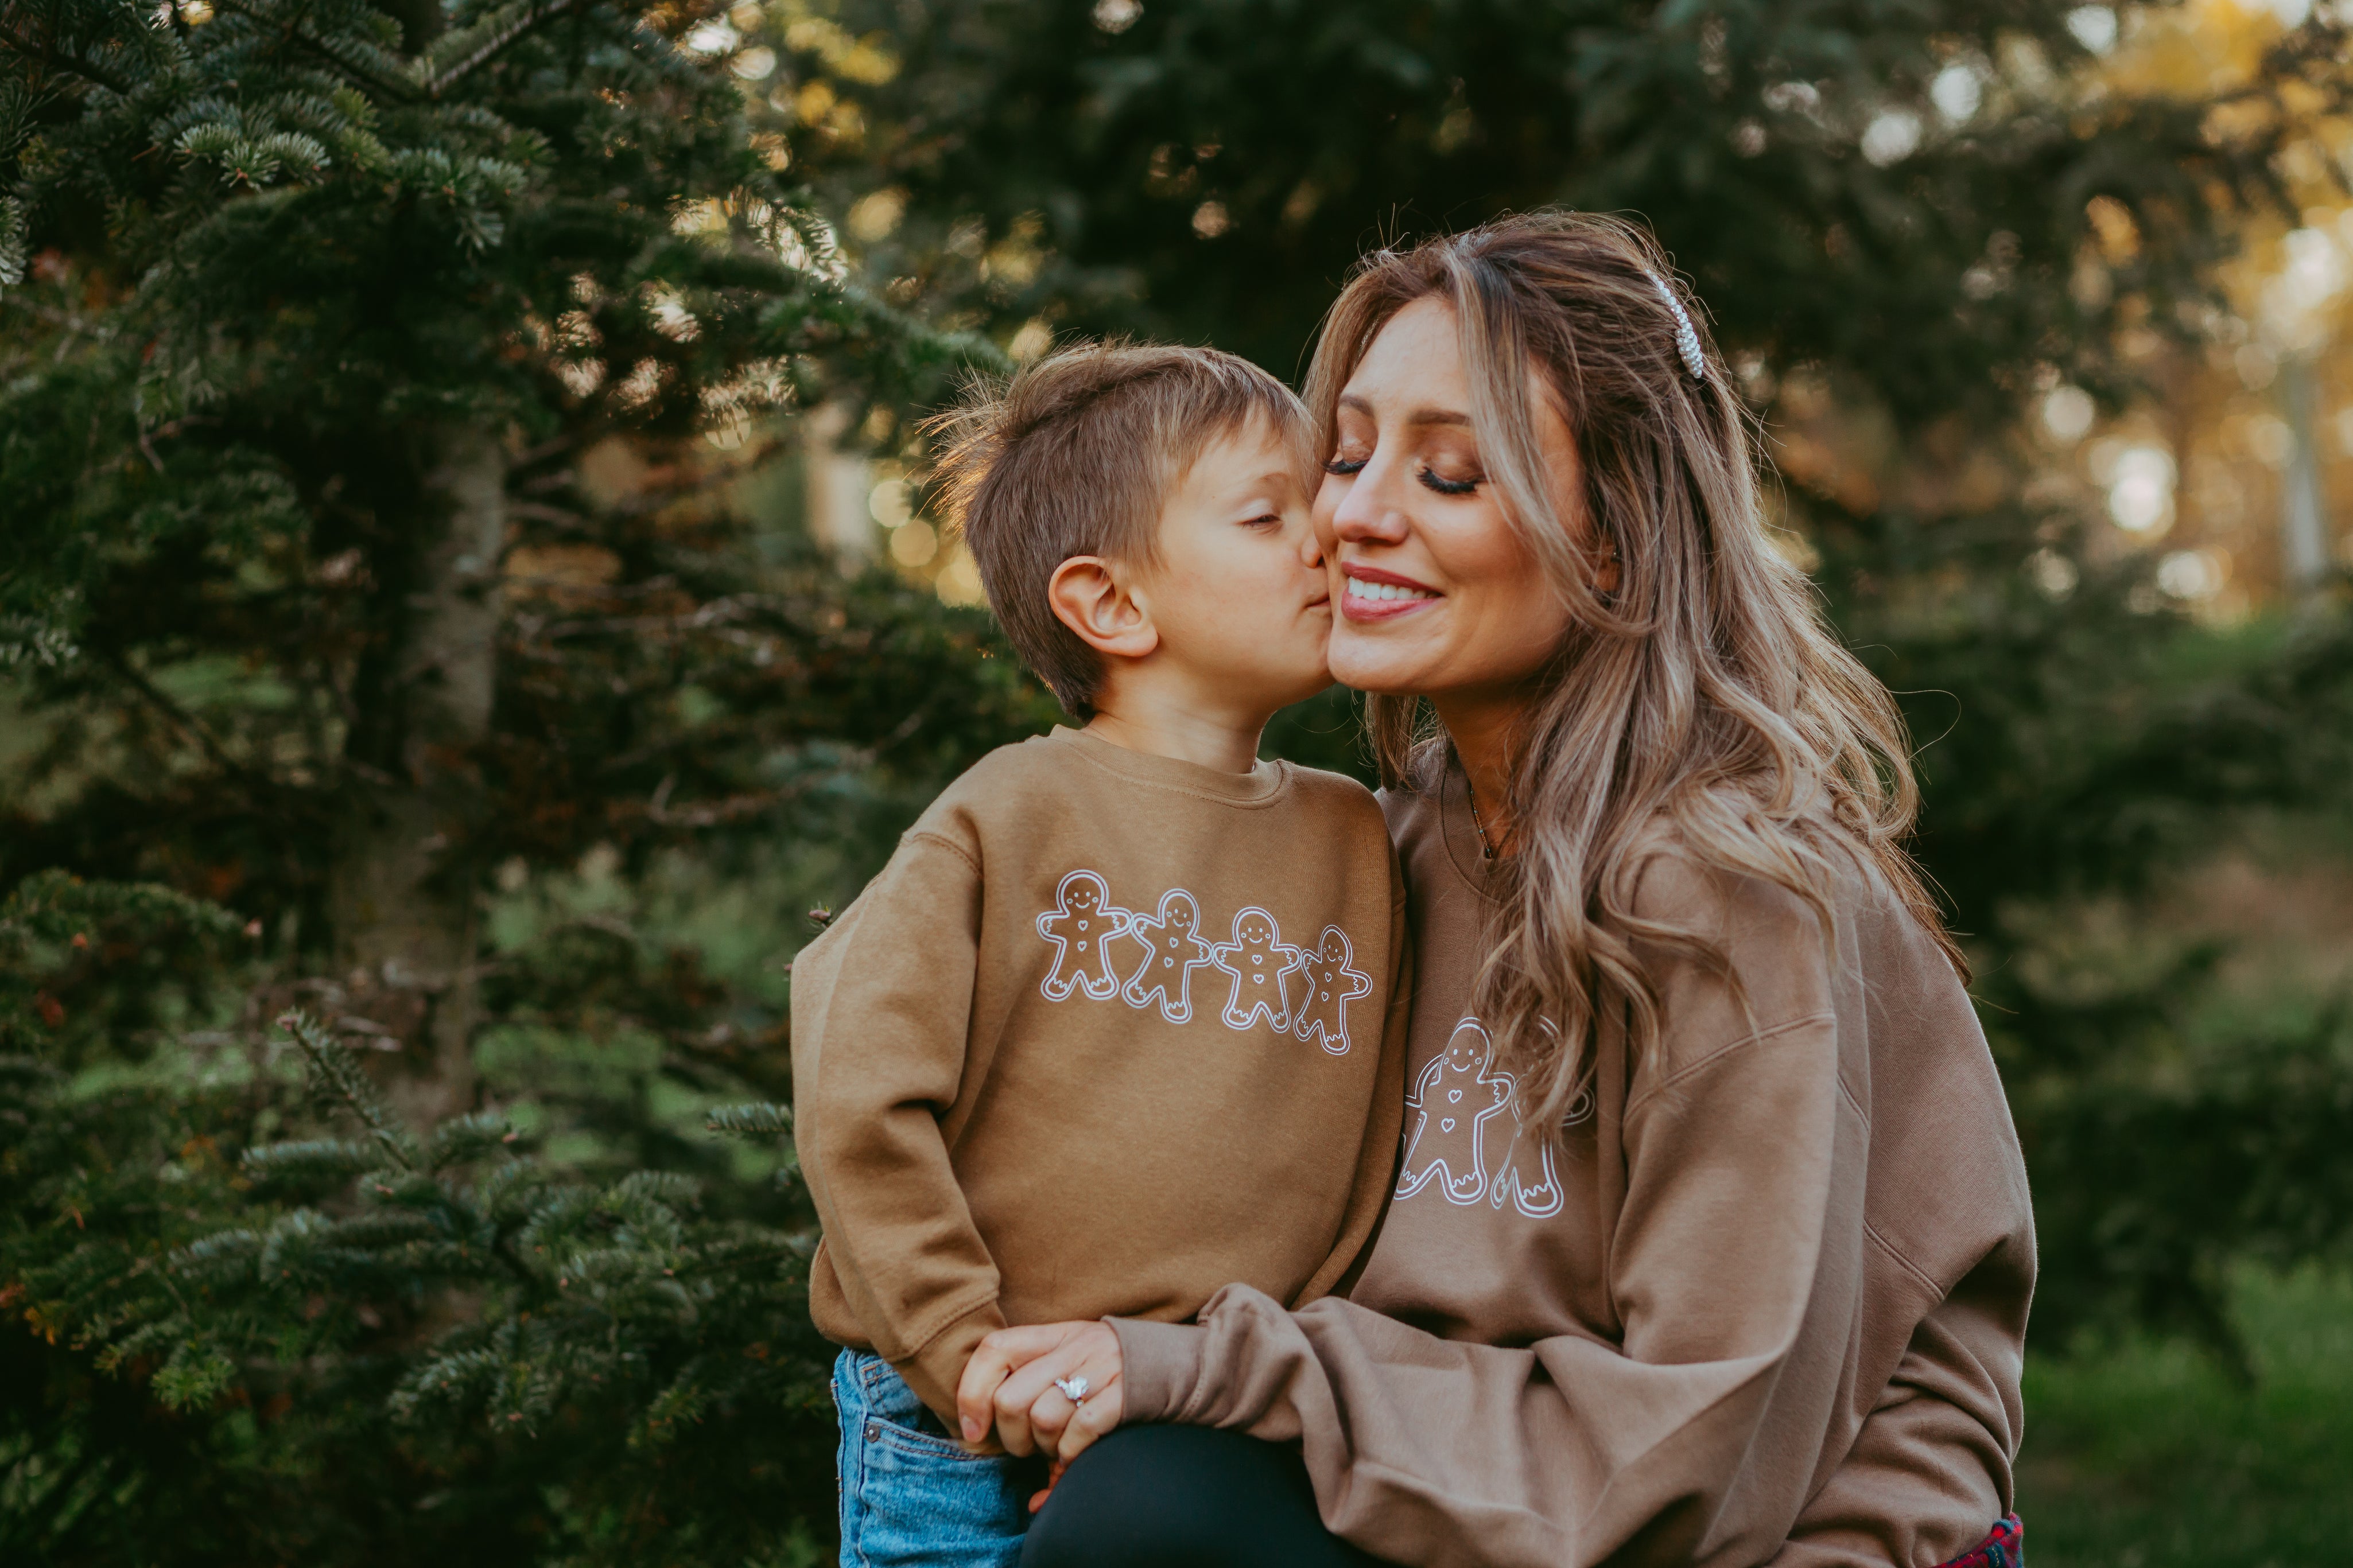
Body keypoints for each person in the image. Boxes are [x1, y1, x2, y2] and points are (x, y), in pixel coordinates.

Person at [960, 213, 2037, 1568]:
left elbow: (1697, 1457)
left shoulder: (1728, 891)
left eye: (1453, 475)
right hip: (1482, 1496)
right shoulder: (1385, 851)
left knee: (1145, 1521)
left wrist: (1226, 1374)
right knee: (1130, 1492)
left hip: (1755, 1532)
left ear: (1613, 546)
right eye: (1343, 454)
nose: (1349, 511)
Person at [790, 341, 1414, 1568]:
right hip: (957, 1421)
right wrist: (965, 1346)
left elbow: (1364, 1161)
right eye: (1265, 513)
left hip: (1206, 1422)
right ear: (1112, 603)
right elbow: (856, 1083)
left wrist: (1215, 1379)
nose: (1328, 535)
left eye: (1319, 495)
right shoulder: (1011, 814)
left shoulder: (1359, 837)